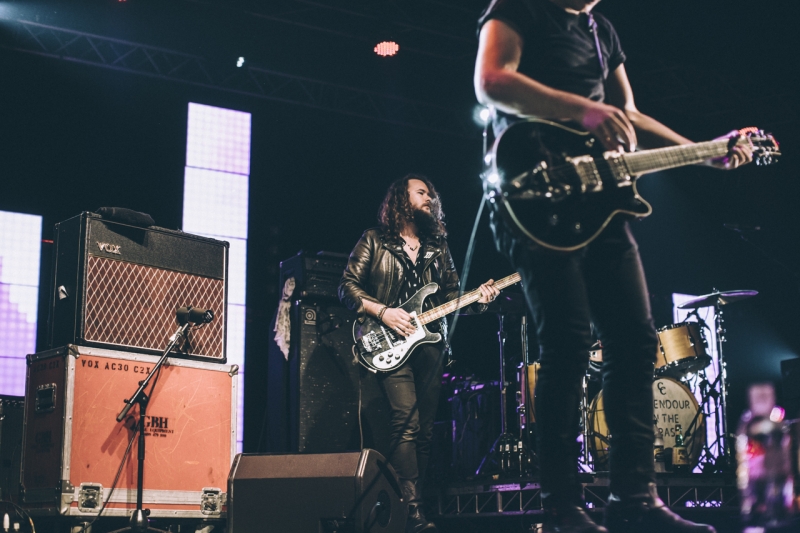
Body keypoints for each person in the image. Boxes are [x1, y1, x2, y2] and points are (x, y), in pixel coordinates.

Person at [473, 1, 753, 532]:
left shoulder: (602, 30)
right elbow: (491, 81)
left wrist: (704, 152)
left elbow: (631, 114)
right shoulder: (520, 8)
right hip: (534, 191)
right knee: (569, 341)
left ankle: (634, 498)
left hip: (602, 202)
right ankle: (560, 506)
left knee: (634, 340)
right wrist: (582, 110)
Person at [339, 174, 499, 533]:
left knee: (424, 432)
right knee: (405, 425)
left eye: (432, 195)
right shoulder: (375, 240)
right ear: (401, 198)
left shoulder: (437, 247)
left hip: (430, 346)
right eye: (421, 192)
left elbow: (452, 298)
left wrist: (480, 301)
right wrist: (384, 312)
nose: (430, 198)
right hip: (390, 341)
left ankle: (402, 504)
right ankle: (413, 511)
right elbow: (346, 287)